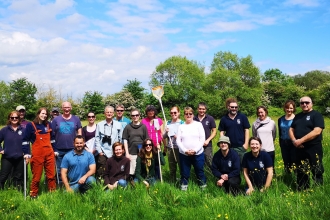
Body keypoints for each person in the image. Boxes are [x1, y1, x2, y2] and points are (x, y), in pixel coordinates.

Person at [289, 96, 325, 190]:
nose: (304, 104)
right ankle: (302, 189)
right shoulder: (298, 116)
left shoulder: (316, 115)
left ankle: (318, 190)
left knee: (316, 169)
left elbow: (317, 131)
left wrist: (301, 140)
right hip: (299, 148)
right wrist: (294, 141)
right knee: (300, 170)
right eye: (302, 103)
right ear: (300, 105)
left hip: (313, 147)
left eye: (307, 102)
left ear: (311, 103)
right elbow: (291, 129)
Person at [22, 108, 56, 198]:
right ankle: (33, 194)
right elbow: (25, 140)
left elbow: (52, 139)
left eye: (46, 114)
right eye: (42, 113)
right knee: (36, 176)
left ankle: (52, 193)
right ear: (38, 114)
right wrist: (26, 153)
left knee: (51, 175)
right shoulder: (31, 125)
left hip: (49, 153)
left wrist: (55, 150)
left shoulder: (49, 125)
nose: (44, 115)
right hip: (37, 155)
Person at [51, 101, 82, 184]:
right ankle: (61, 186)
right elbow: (51, 133)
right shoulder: (56, 120)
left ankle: (72, 184)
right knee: (59, 169)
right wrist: (53, 147)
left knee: (72, 167)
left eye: (68, 107)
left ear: (71, 108)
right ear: (62, 108)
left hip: (72, 149)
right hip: (59, 149)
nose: (67, 109)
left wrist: (79, 143)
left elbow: (79, 131)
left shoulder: (76, 119)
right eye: (65, 107)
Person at [177, 107, 206, 191]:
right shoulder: (181, 126)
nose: (188, 115)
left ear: (193, 115)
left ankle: (203, 189)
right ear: (184, 115)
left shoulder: (198, 124)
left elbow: (202, 139)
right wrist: (185, 150)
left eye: (190, 113)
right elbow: (178, 141)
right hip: (184, 154)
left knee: (200, 172)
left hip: (198, 154)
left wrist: (195, 150)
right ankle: (184, 189)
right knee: (184, 173)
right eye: (186, 114)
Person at [95, 106, 122, 180]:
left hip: (114, 152)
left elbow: (120, 138)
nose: (109, 114)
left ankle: (113, 182)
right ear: (104, 113)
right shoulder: (99, 124)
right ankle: (101, 184)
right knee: (101, 170)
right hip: (103, 152)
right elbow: (97, 138)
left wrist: (118, 150)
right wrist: (100, 151)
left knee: (114, 168)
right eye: (107, 112)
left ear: (113, 114)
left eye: (111, 112)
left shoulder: (118, 124)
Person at [0, 111, 24, 190]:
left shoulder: (23, 130)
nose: (14, 119)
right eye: (12, 117)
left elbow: (26, 142)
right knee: (3, 176)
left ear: (19, 118)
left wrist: (27, 153)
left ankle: (17, 191)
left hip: (20, 157)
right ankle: (1, 191)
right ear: (9, 119)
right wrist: (1, 150)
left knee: (18, 177)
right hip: (7, 157)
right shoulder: (4, 130)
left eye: (16, 117)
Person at [122, 109, 149, 180]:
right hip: (131, 152)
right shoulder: (128, 127)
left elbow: (146, 140)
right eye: (133, 115)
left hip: (141, 152)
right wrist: (127, 153)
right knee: (132, 170)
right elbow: (125, 140)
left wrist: (146, 152)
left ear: (139, 116)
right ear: (131, 116)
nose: (135, 117)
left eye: (137, 115)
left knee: (140, 169)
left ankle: (141, 181)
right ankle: (131, 183)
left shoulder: (143, 127)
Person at [141, 105, 164, 179]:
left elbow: (161, 132)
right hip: (147, 145)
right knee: (148, 160)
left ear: (154, 111)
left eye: (152, 110)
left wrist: (165, 145)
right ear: (146, 112)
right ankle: (148, 176)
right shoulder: (143, 121)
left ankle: (158, 177)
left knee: (157, 161)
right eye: (149, 111)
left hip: (156, 144)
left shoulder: (159, 120)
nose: (151, 112)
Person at [163, 106, 184, 182]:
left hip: (180, 148)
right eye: (171, 113)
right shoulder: (168, 122)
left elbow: (185, 137)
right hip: (170, 148)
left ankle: (183, 181)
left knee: (181, 166)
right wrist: (166, 132)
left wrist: (178, 137)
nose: (173, 114)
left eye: (175, 112)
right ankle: (173, 181)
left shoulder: (182, 123)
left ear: (178, 113)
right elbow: (163, 136)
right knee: (172, 167)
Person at [193, 102, 217, 168]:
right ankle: (199, 177)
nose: (201, 110)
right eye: (200, 109)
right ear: (197, 109)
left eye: (203, 109)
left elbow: (214, 131)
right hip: (196, 145)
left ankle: (211, 176)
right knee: (197, 162)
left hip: (207, 145)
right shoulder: (193, 119)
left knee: (209, 161)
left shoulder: (210, 118)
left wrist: (208, 140)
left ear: (205, 110)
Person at [278, 100, 296, 174]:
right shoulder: (280, 119)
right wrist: (280, 143)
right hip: (284, 143)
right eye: (287, 108)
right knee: (286, 161)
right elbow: (280, 132)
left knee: (295, 161)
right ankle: (287, 177)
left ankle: (297, 177)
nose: (289, 110)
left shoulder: (297, 118)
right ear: (284, 108)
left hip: (294, 143)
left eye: (291, 108)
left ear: (294, 109)